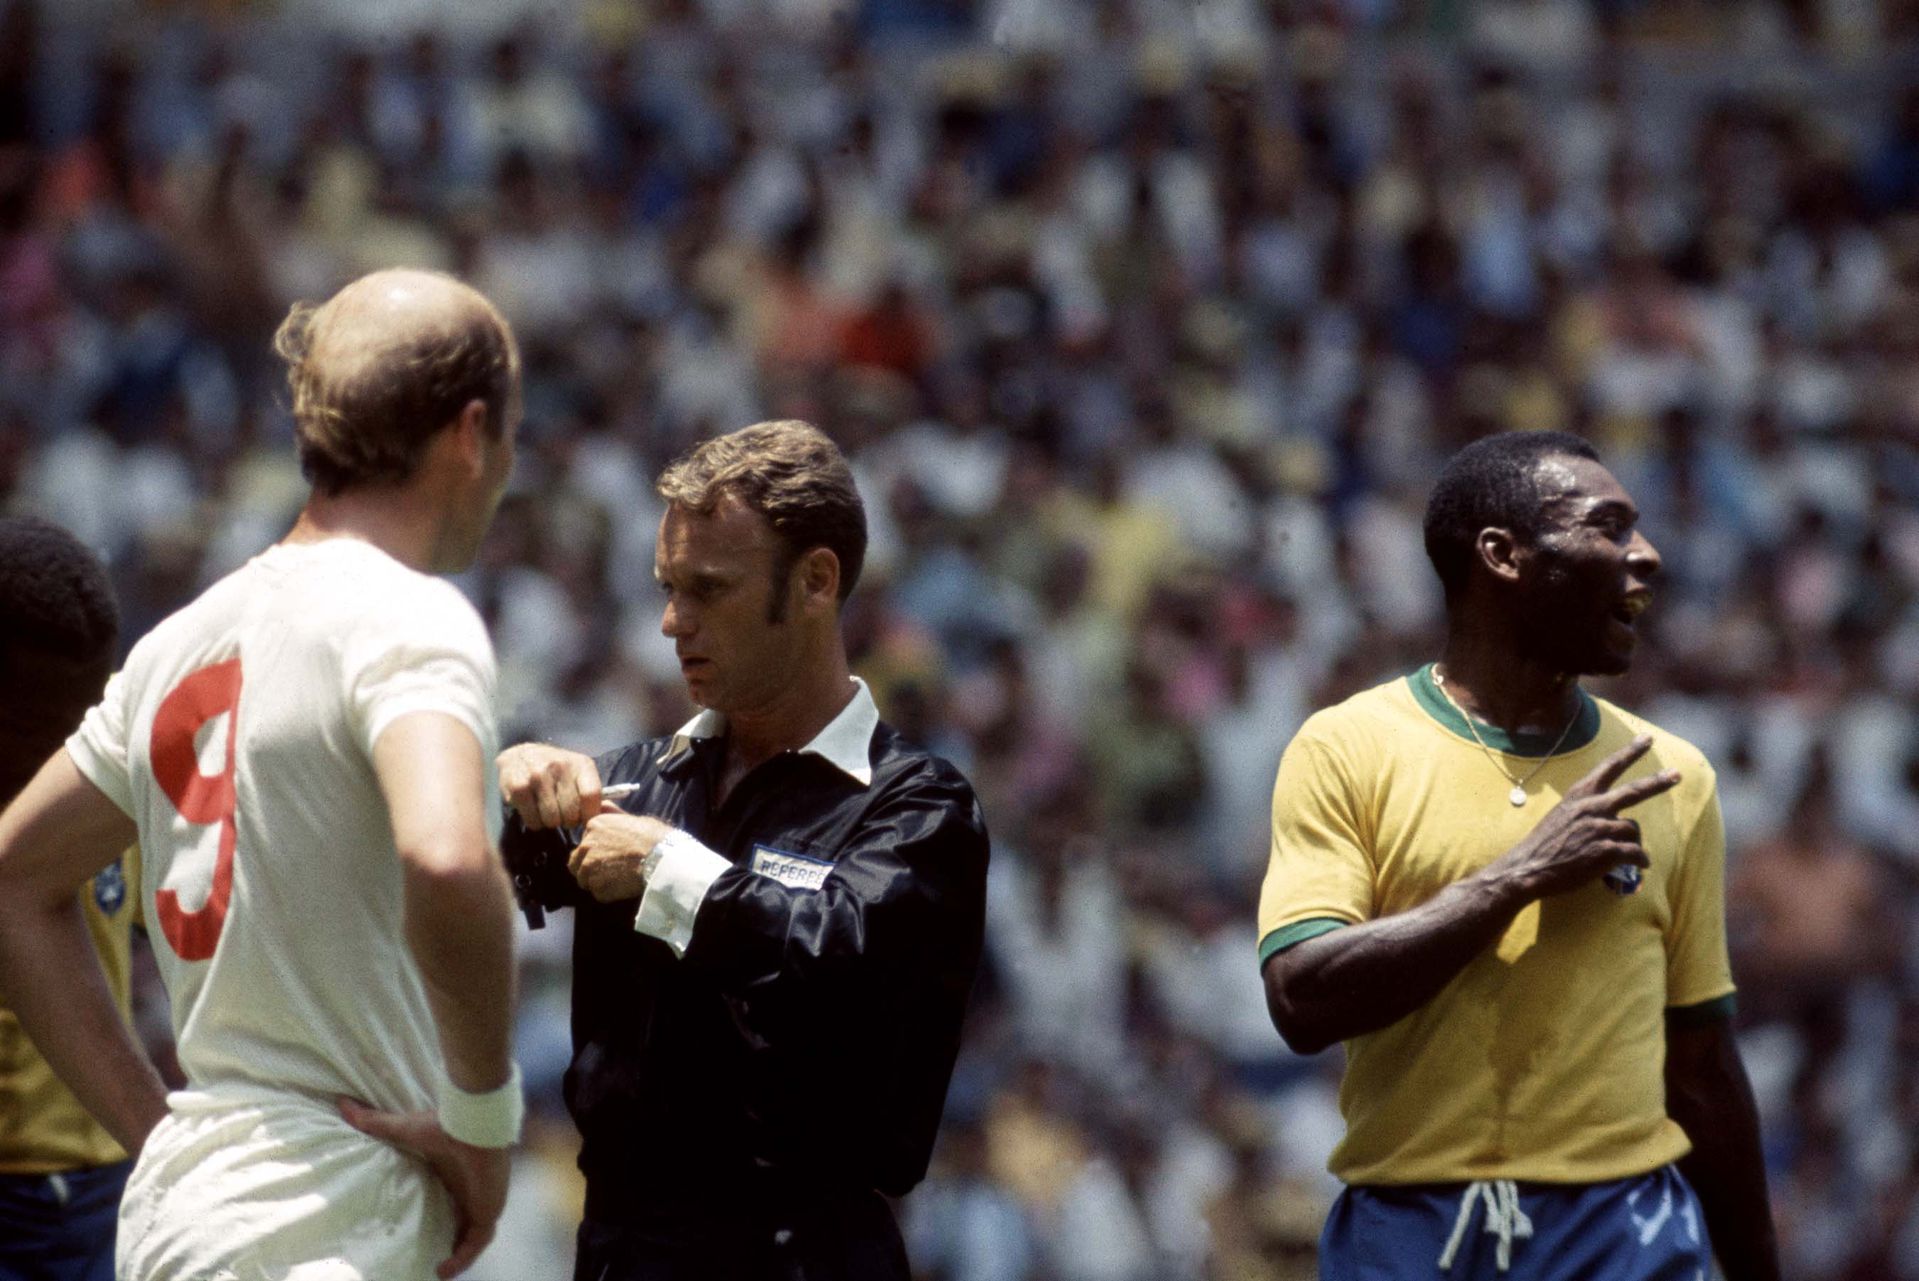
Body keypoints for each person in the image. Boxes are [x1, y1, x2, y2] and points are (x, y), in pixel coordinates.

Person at [0, 268, 526, 1281]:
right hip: (324, 1224)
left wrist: (157, 1135)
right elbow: (450, 860)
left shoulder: (179, 643)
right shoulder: (406, 613)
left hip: (183, 1216)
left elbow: (16, 879)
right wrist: (482, 1125)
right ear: (470, 434)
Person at [1258, 431, 1779, 1280]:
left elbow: (1702, 1067)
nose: (1642, 556)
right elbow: (1299, 997)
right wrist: (1519, 875)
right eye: (1606, 528)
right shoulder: (1347, 747)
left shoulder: (1672, 775)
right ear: (1500, 555)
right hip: (1410, 1228)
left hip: (1623, 1229)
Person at [497, 419, 990, 1281]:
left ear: (816, 581)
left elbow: (838, 950)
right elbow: (490, 871)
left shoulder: (917, 807)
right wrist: (518, 782)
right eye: (666, 586)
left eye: (707, 589)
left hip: (804, 1251)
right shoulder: (637, 782)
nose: (669, 621)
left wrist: (661, 870)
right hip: (621, 1245)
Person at [0, 517, 139, 1281]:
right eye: (32, 725)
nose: (65, 750)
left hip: (99, 1191)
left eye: (83, 721)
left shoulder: (116, 766)